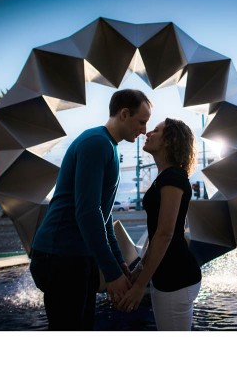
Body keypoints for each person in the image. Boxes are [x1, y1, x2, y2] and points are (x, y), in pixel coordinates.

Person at [28, 89, 152, 330]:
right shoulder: (96, 143)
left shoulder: (109, 147)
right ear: (124, 114)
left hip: (77, 256)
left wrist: (118, 263)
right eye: (142, 122)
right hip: (59, 257)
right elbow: (87, 212)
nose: (144, 130)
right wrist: (112, 273)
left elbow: (104, 216)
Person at [117, 118, 202, 331]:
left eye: (155, 131)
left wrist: (139, 286)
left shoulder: (173, 177)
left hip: (176, 279)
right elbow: (158, 234)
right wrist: (140, 270)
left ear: (168, 141)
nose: (148, 133)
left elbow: (165, 234)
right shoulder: (165, 176)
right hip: (167, 276)